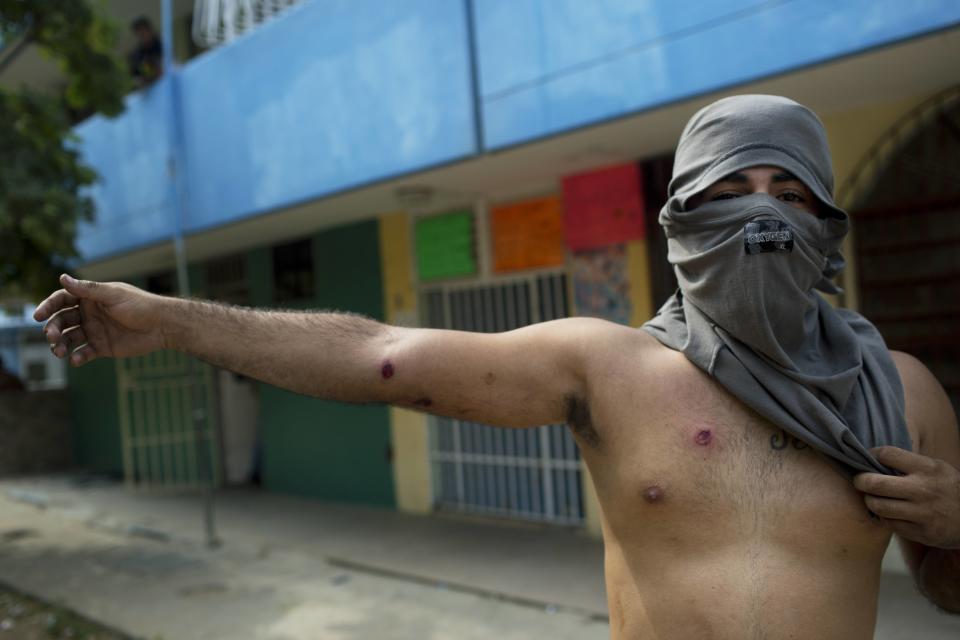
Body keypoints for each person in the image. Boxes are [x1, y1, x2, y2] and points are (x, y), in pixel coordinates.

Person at [34, 95, 959, 638]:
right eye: (729, 192)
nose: (761, 216)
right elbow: (380, 355)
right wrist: (178, 322)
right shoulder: (610, 367)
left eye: (790, 194)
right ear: (678, 222)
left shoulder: (901, 393)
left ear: (827, 228)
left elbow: (946, 588)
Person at [128, 16, 163, 88]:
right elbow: (135, 78)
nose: (142, 34)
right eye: (138, 32)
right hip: (150, 90)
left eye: (143, 30)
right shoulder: (137, 55)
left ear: (149, 30)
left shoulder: (160, 45)